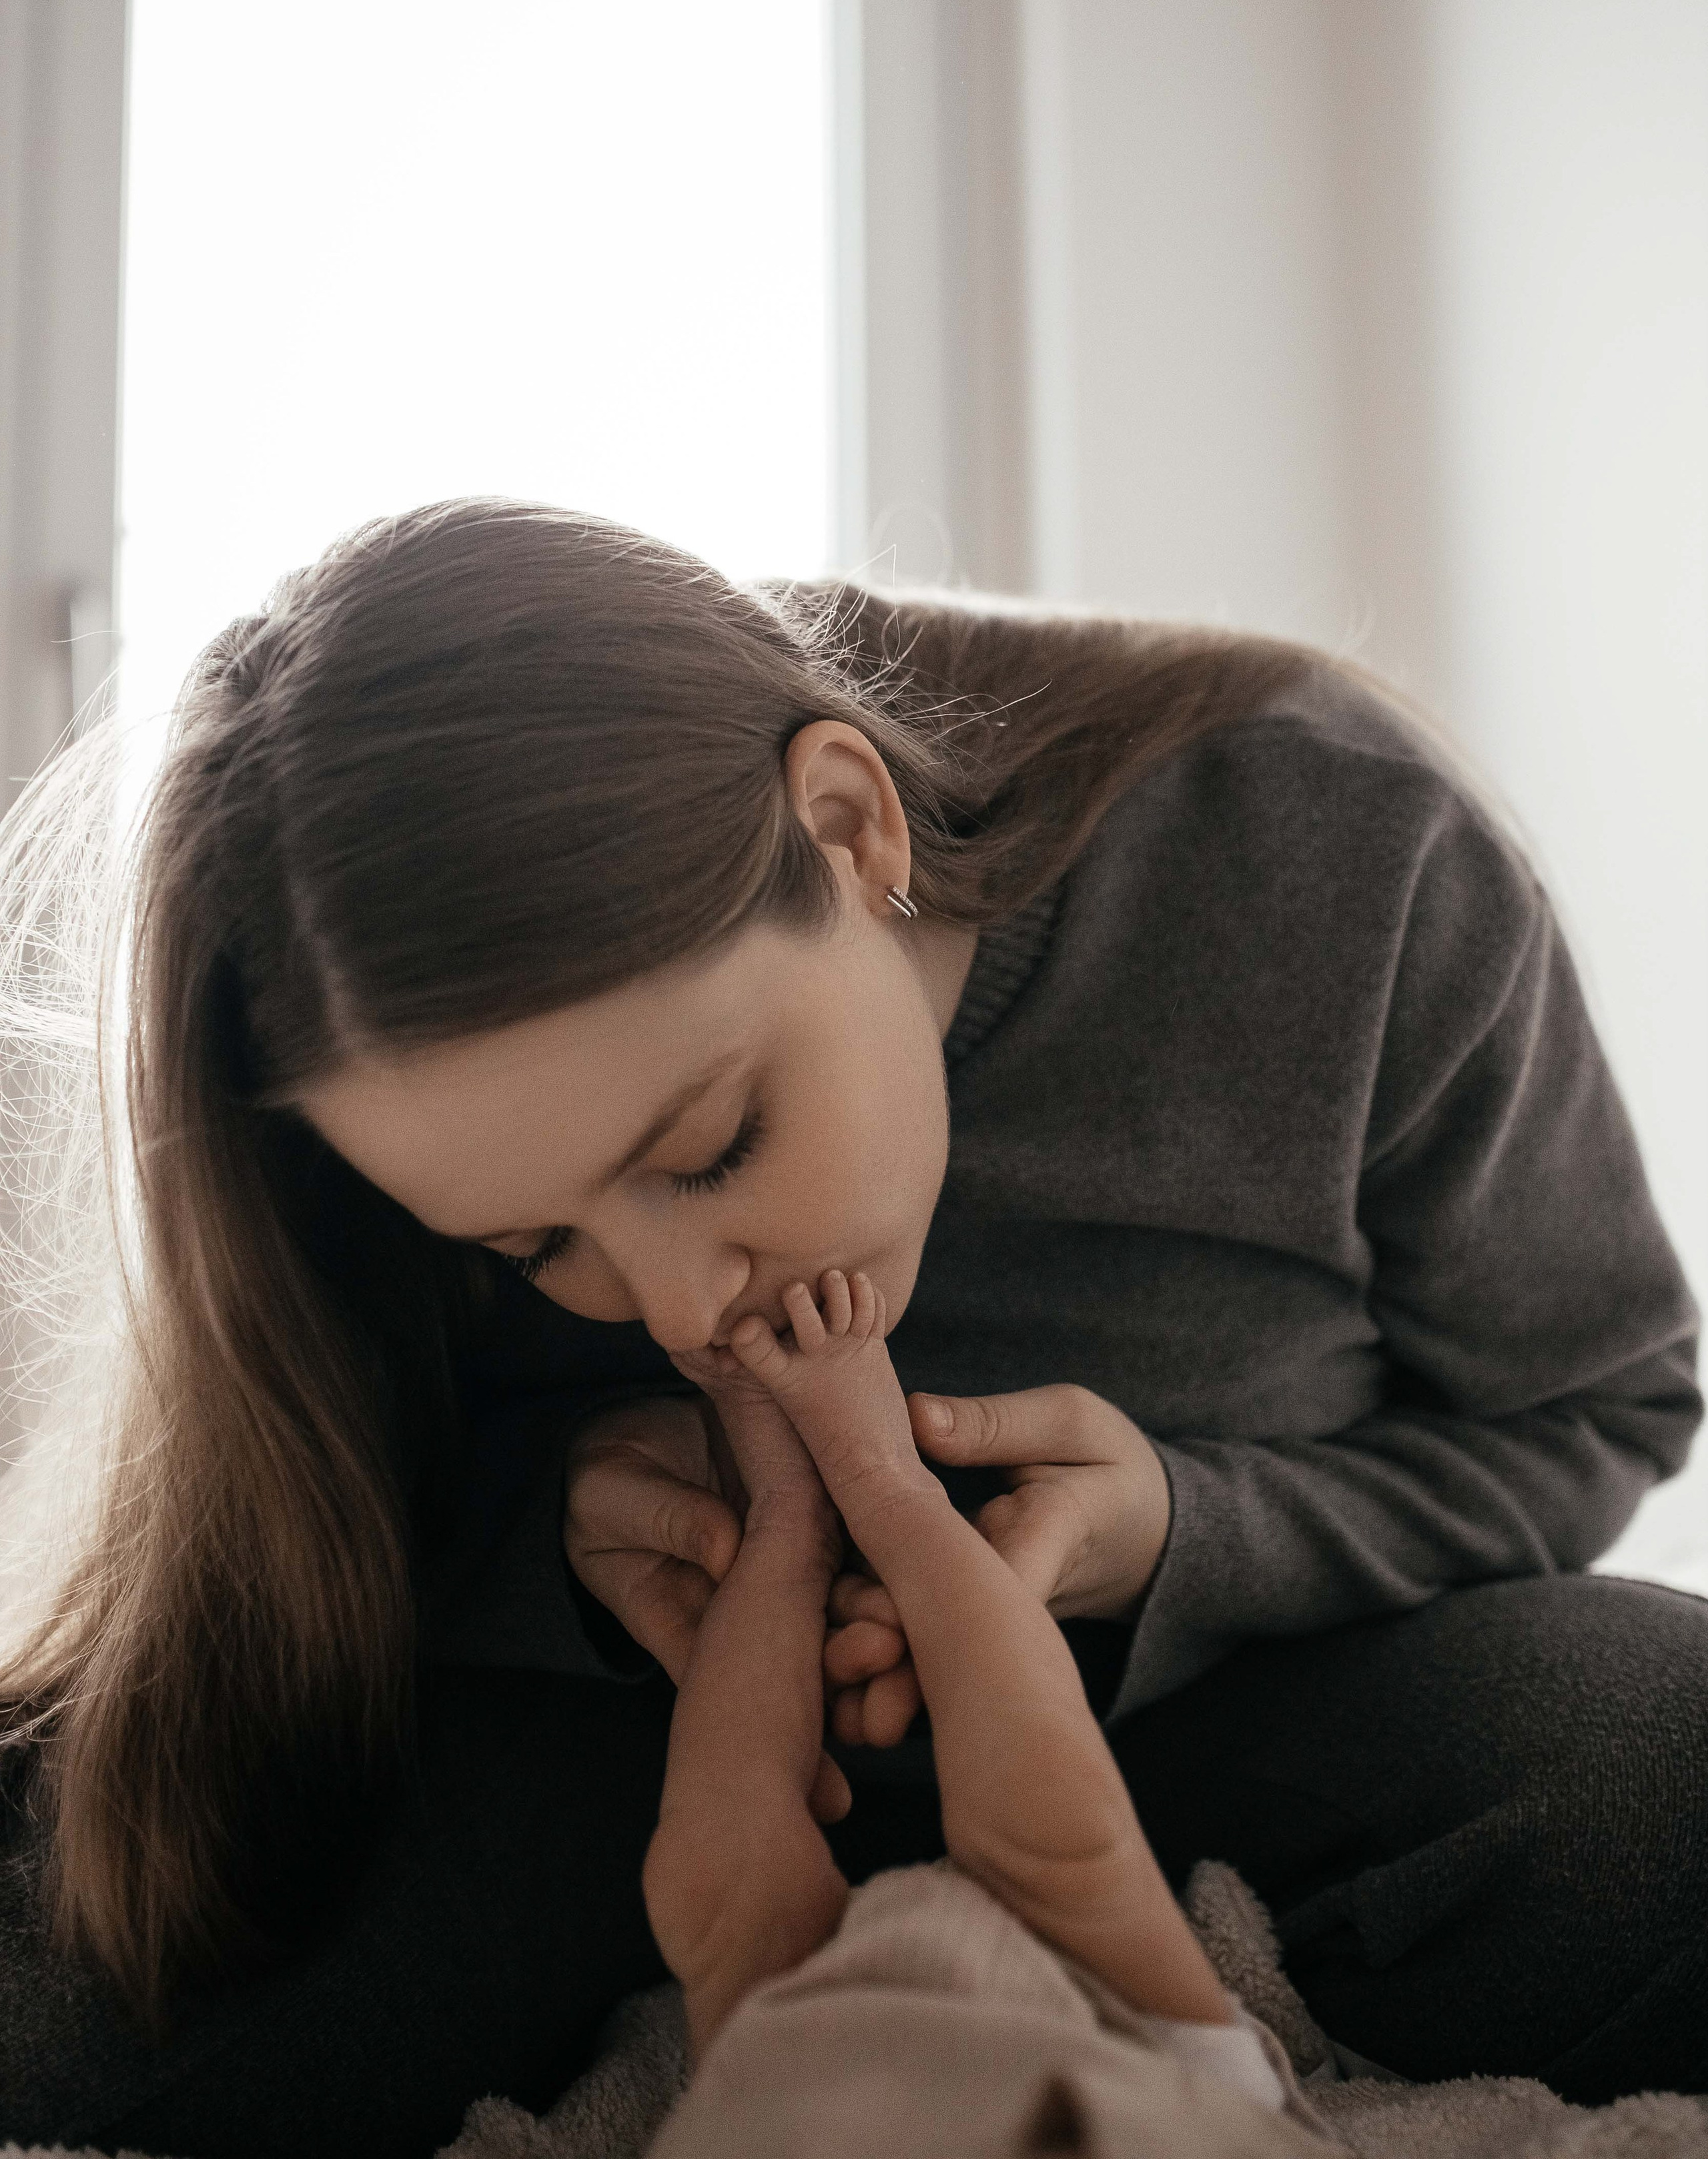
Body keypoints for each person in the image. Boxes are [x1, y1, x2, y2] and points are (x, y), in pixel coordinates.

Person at [0, 500, 1700, 2158]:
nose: (680, 1308)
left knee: (1660, 1766)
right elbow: (293, 1567)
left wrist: (1190, 1531)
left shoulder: (1334, 841)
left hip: (1252, 1710)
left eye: (704, 1150)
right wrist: (563, 1538)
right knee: (74, 1938)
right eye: (534, 1251)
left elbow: (1596, 1406)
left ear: (850, 826)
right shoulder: (360, 1079)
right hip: (633, 1764)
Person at [643, 1265, 1327, 2158]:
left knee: (723, 1885)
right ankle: (879, 1485)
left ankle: (792, 1514)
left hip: (787, 2109)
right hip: (1148, 2101)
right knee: (1057, 1838)